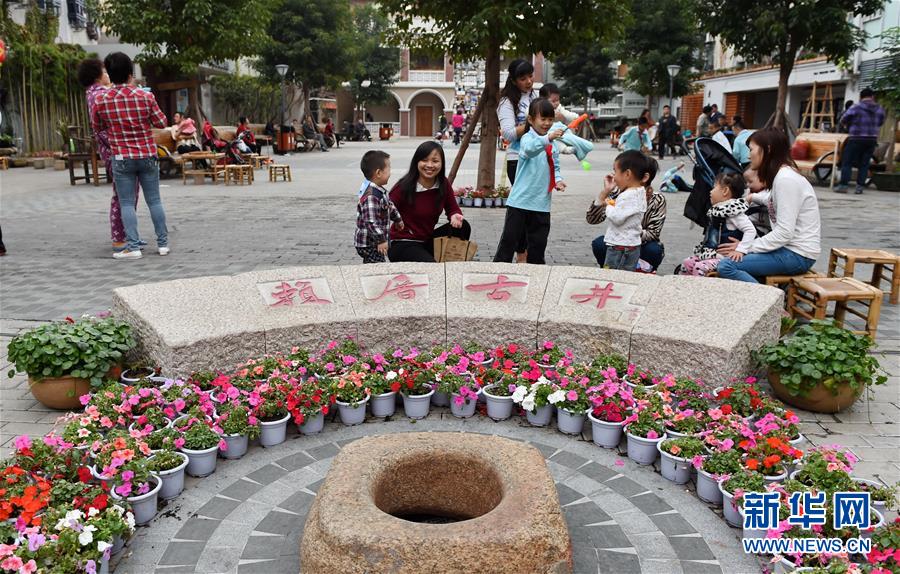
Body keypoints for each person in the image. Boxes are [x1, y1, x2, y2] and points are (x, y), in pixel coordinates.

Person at [91, 52, 168, 260]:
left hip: (121, 157)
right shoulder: (145, 96)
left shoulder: (101, 99)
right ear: (130, 74)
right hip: (147, 154)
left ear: (110, 73)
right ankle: (163, 244)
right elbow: (161, 122)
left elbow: (97, 126)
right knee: (154, 201)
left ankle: (133, 247)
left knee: (126, 203)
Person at [717, 128, 820, 283]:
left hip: (797, 254)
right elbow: (770, 199)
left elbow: (784, 233)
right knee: (733, 260)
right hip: (788, 250)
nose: (748, 155)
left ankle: (768, 298)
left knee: (726, 266)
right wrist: (752, 197)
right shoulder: (781, 177)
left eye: (751, 149)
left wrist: (746, 246)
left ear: (768, 149)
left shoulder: (786, 180)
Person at [493, 98, 566, 265]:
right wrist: (548, 138)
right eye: (543, 119)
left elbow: (555, 166)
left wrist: (558, 181)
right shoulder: (527, 138)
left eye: (550, 119)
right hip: (519, 202)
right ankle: (498, 272)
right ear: (531, 120)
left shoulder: (552, 144)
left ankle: (536, 275)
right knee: (509, 242)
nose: (547, 123)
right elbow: (529, 150)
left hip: (541, 204)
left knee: (538, 246)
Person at [78, 57, 138, 252]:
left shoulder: (93, 93)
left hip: (111, 149)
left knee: (124, 194)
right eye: (104, 72)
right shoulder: (101, 94)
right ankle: (120, 237)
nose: (107, 75)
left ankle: (128, 234)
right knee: (123, 195)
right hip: (117, 149)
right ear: (97, 76)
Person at [388, 141, 467, 262]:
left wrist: (455, 215)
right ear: (417, 162)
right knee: (431, 268)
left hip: (426, 241)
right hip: (403, 243)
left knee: (463, 226)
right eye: (424, 160)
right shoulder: (404, 186)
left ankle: (449, 261)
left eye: (435, 161)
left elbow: (452, 208)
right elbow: (384, 209)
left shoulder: (443, 184)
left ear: (441, 163)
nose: (429, 165)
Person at [588, 157, 666, 271]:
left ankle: (643, 271)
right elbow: (592, 219)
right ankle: (609, 269)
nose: (614, 176)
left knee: (654, 250)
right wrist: (605, 192)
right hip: (617, 243)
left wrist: (631, 234)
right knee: (599, 244)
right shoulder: (617, 192)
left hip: (639, 244)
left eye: (618, 172)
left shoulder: (657, 199)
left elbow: (653, 233)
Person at [498, 59, 540, 262]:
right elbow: (508, 134)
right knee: (521, 210)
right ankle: (519, 253)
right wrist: (533, 124)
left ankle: (527, 253)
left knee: (533, 209)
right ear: (514, 80)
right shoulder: (507, 102)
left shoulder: (536, 96)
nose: (529, 81)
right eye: (523, 78)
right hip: (518, 160)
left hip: (538, 158)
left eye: (530, 76)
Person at [680, 172, 756, 276]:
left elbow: (750, 230)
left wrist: (741, 250)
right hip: (710, 254)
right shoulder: (718, 210)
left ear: (725, 191)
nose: (710, 191)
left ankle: (701, 286)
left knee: (700, 267)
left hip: (723, 257)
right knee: (687, 263)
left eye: (714, 187)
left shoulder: (733, 211)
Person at [594, 151, 649, 271]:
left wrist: (608, 206)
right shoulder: (640, 192)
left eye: (615, 172)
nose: (614, 176)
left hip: (620, 247)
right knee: (626, 275)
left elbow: (617, 218)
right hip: (632, 245)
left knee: (611, 274)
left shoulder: (627, 195)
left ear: (627, 174)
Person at [355, 151, 404, 263]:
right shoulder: (371, 196)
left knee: (373, 263)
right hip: (369, 243)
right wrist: (381, 240)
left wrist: (398, 219)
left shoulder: (380, 191)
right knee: (378, 264)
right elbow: (370, 221)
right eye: (389, 169)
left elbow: (389, 206)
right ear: (378, 173)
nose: (390, 173)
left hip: (374, 240)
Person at [836, 88, 885, 194]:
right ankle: (859, 187)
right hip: (871, 139)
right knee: (864, 164)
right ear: (872, 96)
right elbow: (881, 122)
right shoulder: (879, 108)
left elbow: (843, 119)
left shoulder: (856, 107)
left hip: (856, 138)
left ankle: (843, 185)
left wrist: (847, 126)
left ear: (860, 97)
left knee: (847, 161)